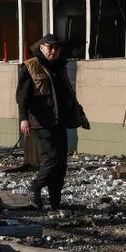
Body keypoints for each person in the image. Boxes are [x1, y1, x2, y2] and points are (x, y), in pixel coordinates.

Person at [16, 35, 89, 210]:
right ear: (41, 48)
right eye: (50, 48)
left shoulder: (60, 67)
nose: (54, 51)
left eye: (57, 48)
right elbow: (22, 96)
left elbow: (69, 94)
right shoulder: (30, 67)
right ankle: (35, 187)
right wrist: (23, 118)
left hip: (60, 121)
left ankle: (55, 201)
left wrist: (80, 115)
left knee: (61, 164)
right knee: (52, 159)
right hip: (41, 121)